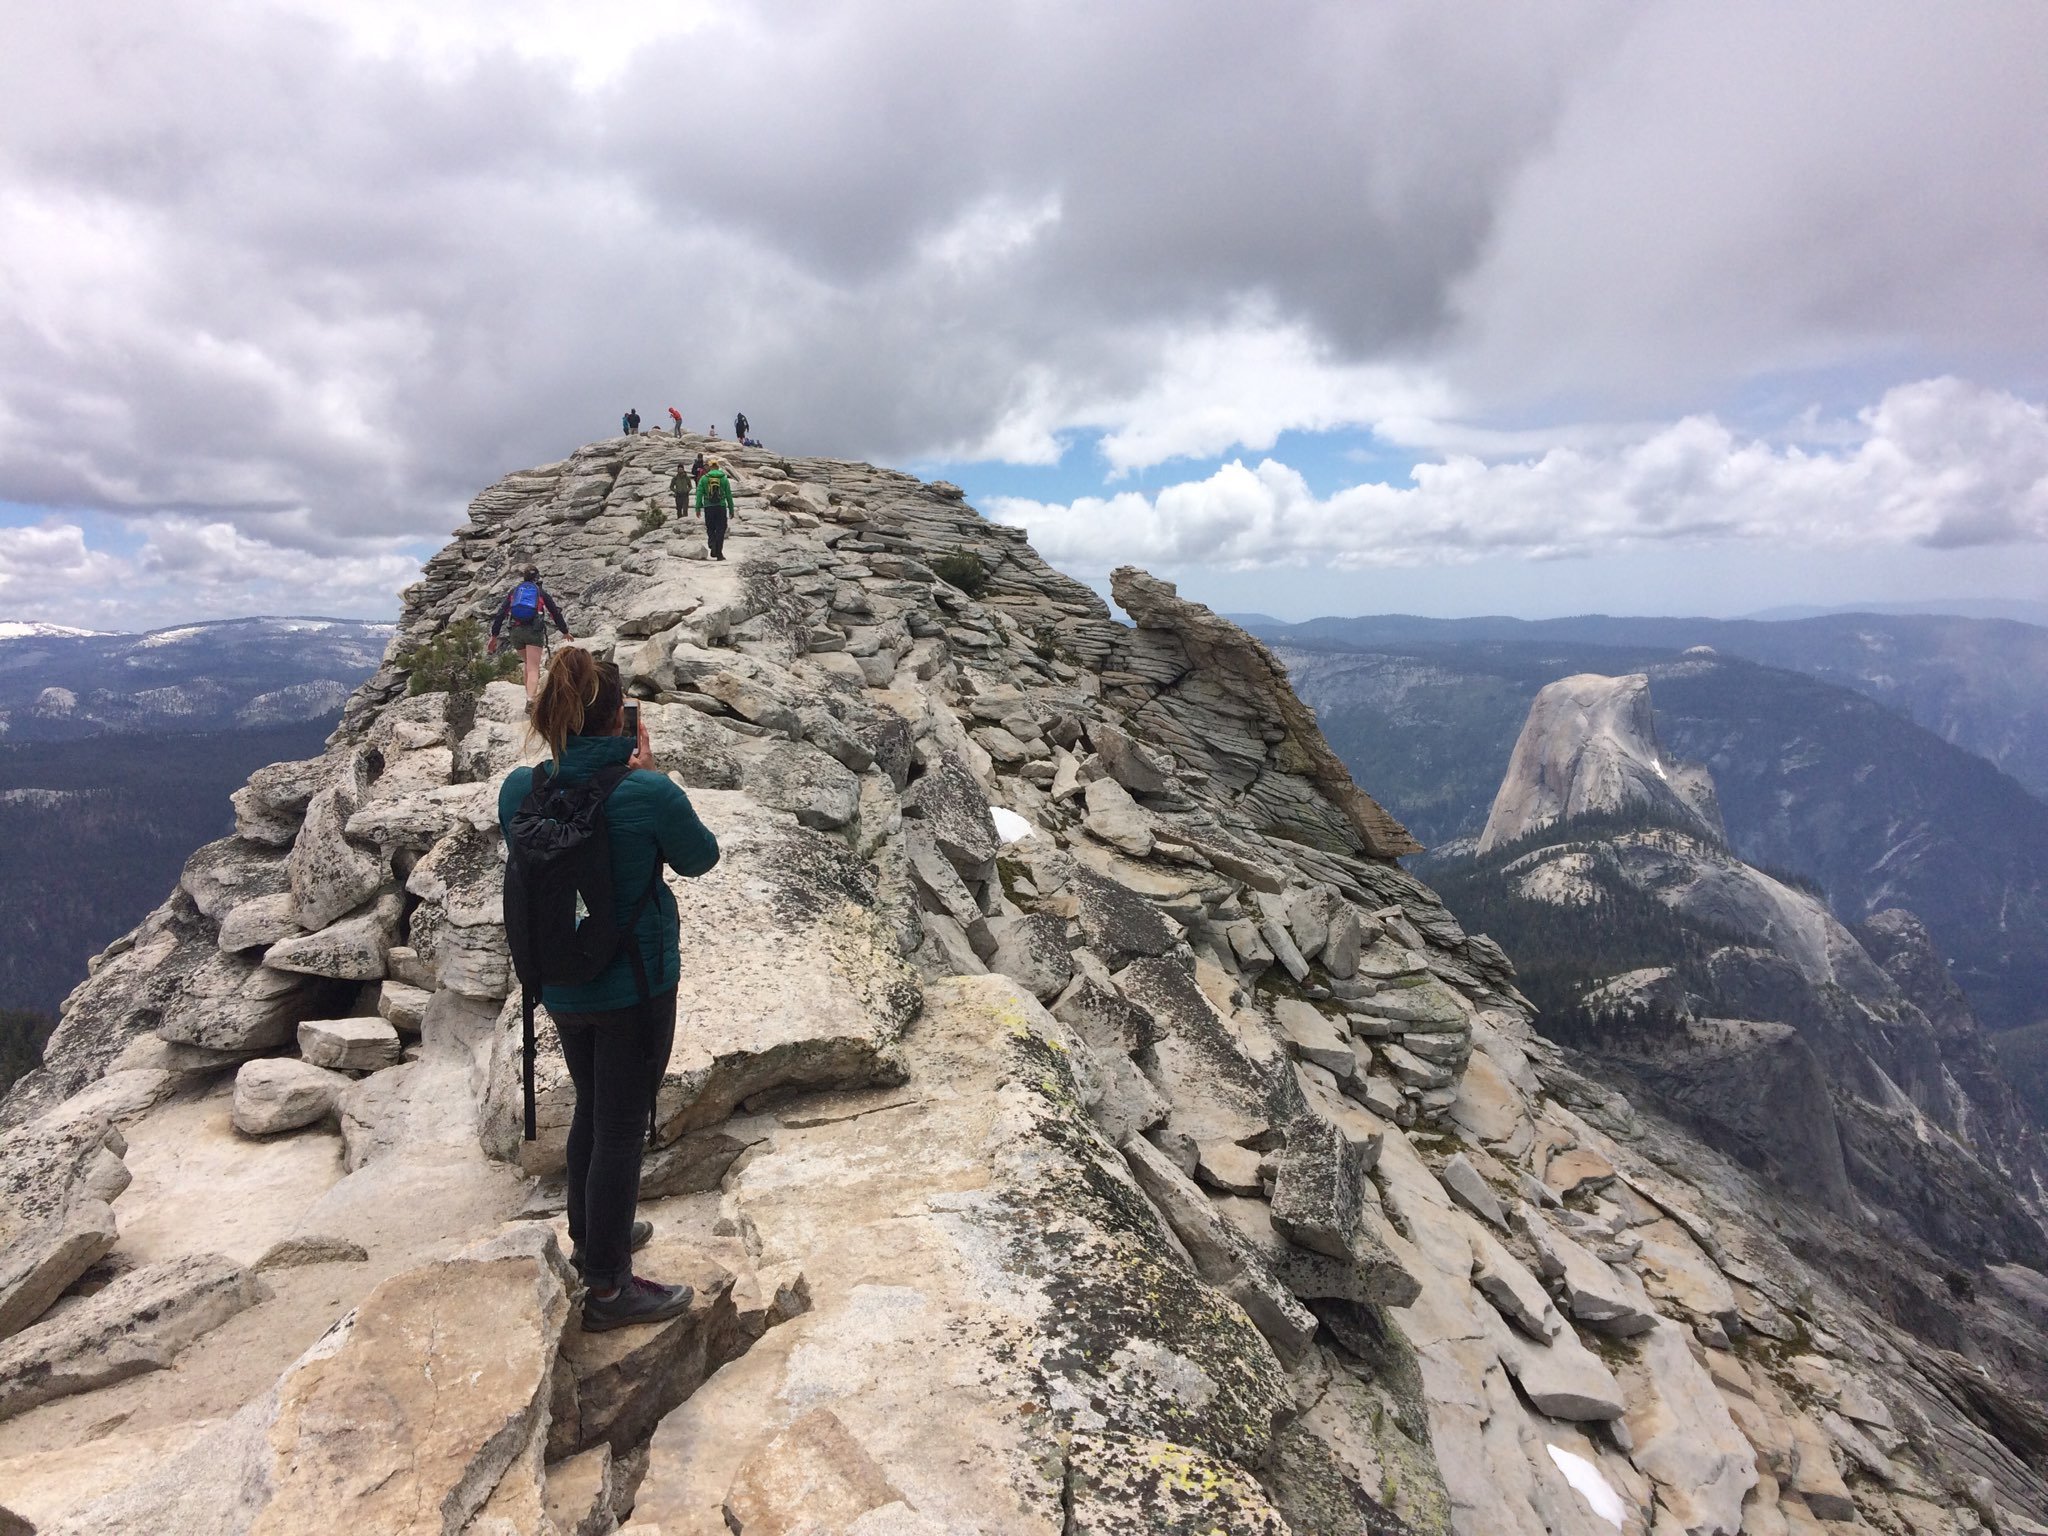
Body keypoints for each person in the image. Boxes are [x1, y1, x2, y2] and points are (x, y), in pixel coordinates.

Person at [498, 650, 719, 1330]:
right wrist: (648, 773)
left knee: (594, 1109)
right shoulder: (647, 793)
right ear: (617, 715)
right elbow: (699, 858)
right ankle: (609, 1288)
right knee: (621, 1129)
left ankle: (594, 1238)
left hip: (561, 982)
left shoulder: (519, 787)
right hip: (636, 986)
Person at [488, 564, 572, 704]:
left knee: (528, 662)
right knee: (533, 667)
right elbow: (554, 613)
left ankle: (529, 694)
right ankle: (531, 699)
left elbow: (501, 614)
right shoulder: (540, 593)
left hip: (515, 631)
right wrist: (565, 631)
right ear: (537, 578)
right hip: (533, 631)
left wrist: (494, 636)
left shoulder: (515, 592)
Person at [695, 456, 737, 560]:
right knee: (720, 529)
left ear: (709, 467)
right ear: (718, 467)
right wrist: (731, 509)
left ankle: (712, 544)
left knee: (710, 528)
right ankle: (719, 553)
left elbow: (699, 493)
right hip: (721, 507)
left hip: (708, 507)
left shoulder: (704, 478)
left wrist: (698, 508)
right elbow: (728, 495)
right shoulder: (724, 479)